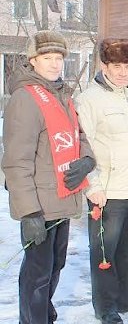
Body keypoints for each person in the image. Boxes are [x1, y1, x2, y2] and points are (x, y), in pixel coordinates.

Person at [2, 30, 95, 324]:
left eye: (59, 58)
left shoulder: (62, 95)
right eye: (47, 58)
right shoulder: (25, 98)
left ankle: (43, 315)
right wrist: (28, 212)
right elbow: (16, 162)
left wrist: (87, 159)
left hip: (63, 199)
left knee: (56, 265)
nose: (55, 64)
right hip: (40, 205)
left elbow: (79, 135)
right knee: (37, 274)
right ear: (33, 60)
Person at [76, 38, 128, 324]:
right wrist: (93, 185)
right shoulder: (90, 99)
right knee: (104, 253)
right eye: (117, 66)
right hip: (107, 192)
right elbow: (81, 144)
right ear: (104, 66)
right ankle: (106, 306)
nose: (123, 72)